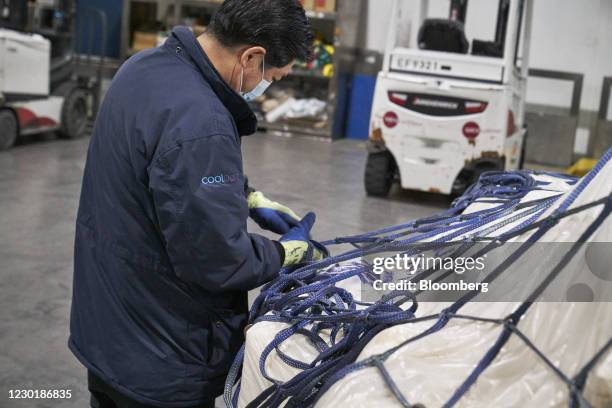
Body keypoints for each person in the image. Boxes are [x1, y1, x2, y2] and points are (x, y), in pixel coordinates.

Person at [69, 1, 323, 407]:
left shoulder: (144, 68)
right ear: (252, 56)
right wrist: (284, 252)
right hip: (161, 353)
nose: (265, 88)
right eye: (272, 77)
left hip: (109, 327)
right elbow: (218, 260)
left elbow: (160, 169)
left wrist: (243, 194)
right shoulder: (202, 121)